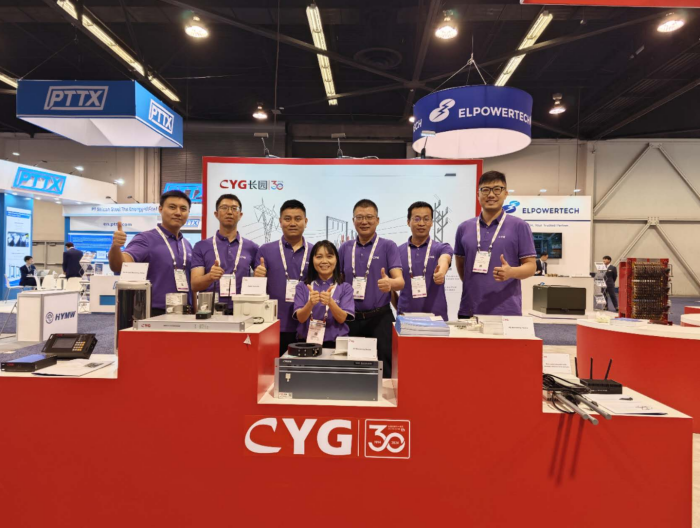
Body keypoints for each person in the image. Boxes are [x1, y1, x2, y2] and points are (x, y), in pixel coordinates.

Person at [454, 171, 537, 317]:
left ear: (505, 193)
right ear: (478, 194)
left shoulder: (519, 226)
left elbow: (531, 267)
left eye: (497, 189)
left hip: (506, 311)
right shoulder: (464, 228)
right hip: (469, 309)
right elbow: (461, 266)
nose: (491, 195)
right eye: (485, 190)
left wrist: (511, 272)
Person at [339, 199, 404, 378]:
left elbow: (400, 281)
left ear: (377, 220)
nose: (364, 221)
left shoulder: (388, 246)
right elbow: (338, 281)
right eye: (359, 217)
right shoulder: (345, 248)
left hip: (380, 318)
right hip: (350, 319)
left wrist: (390, 283)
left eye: (369, 217)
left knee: (386, 369)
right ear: (353, 220)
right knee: (350, 370)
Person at [108, 190, 193, 316]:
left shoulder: (186, 244)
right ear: (160, 209)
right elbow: (119, 266)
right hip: (155, 312)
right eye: (172, 207)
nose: (178, 213)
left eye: (183, 209)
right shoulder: (145, 239)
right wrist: (115, 247)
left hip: (185, 311)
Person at [254, 200, 312, 356]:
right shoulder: (265, 250)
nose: (292, 223)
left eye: (298, 219)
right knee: (272, 369)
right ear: (280, 221)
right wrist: (257, 277)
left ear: (305, 221)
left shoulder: (315, 252)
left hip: (307, 325)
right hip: (273, 324)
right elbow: (255, 289)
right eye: (287, 219)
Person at [191, 194, 258, 311]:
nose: (229, 212)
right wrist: (210, 277)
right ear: (216, 214)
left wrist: (260, 275)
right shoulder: (201, 246)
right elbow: (194, 285)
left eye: (234, 208)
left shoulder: (252, 247)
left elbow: (260, 281)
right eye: (224, 208)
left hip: (242, 310)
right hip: (210, 311)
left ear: (240, 215)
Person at [392, 201, 453, 321]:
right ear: (408, 222)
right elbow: (390, 287)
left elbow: (445, 259)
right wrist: (399, 308)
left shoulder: (442, 248)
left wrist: (441, 272)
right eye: (417, 219)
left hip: (436, 319)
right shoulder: (397, 252)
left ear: (431, 222)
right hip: (406, 319)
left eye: (426, 219)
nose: (421, 223)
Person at [293, 241, 355, 348]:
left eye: (329, 256)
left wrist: (330, 302)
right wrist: (310, 303)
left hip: (337, 344)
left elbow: (342, 319)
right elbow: (301, 318)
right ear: (312, 260)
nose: (324, 261)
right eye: (319, 257)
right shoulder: (302, 287)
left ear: (336, 260)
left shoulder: (345, 288)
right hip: (306, 344)